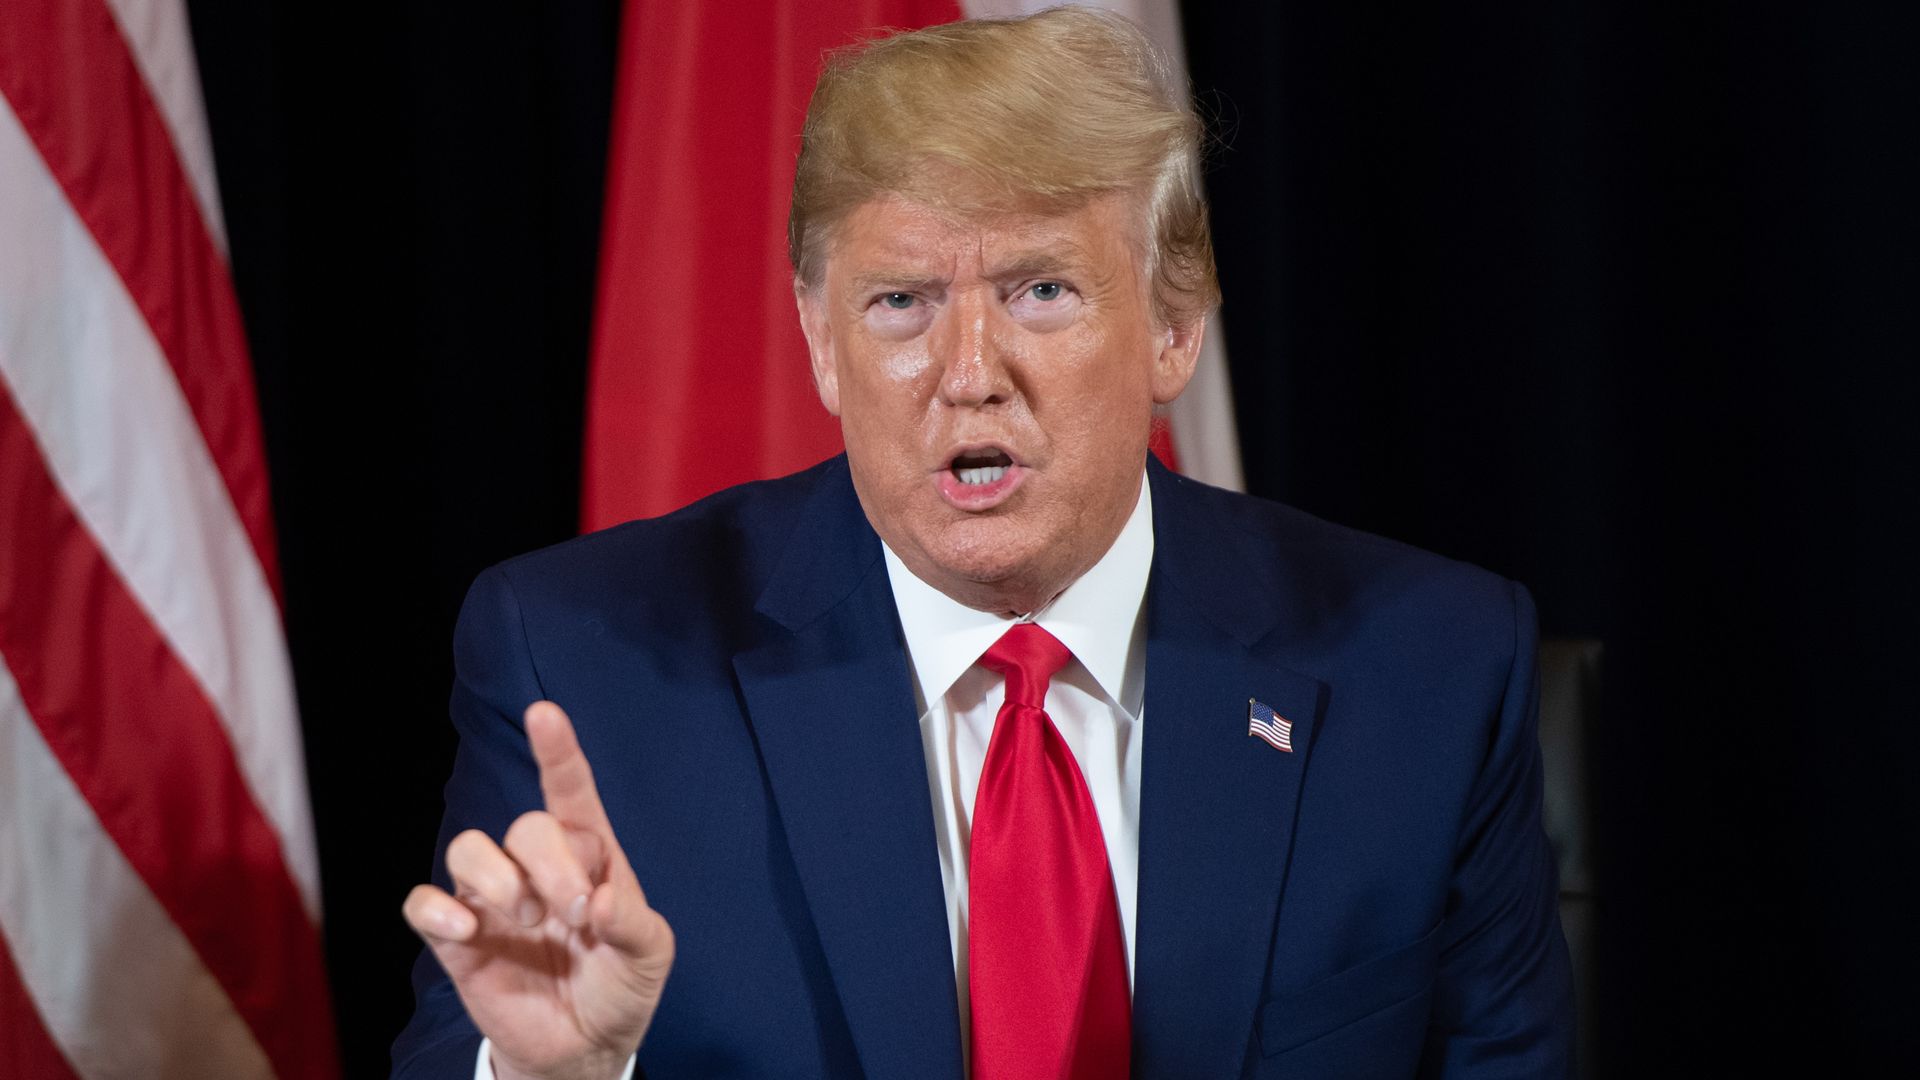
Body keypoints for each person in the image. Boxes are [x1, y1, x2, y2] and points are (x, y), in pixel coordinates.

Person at [393, 8, 1574, 1079]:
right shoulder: (585, 667)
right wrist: (555, 1078)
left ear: (1174, 329)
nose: (969, 376)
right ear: (818, 340)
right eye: (901, 301)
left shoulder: (1429, 672)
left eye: (1041, 291)